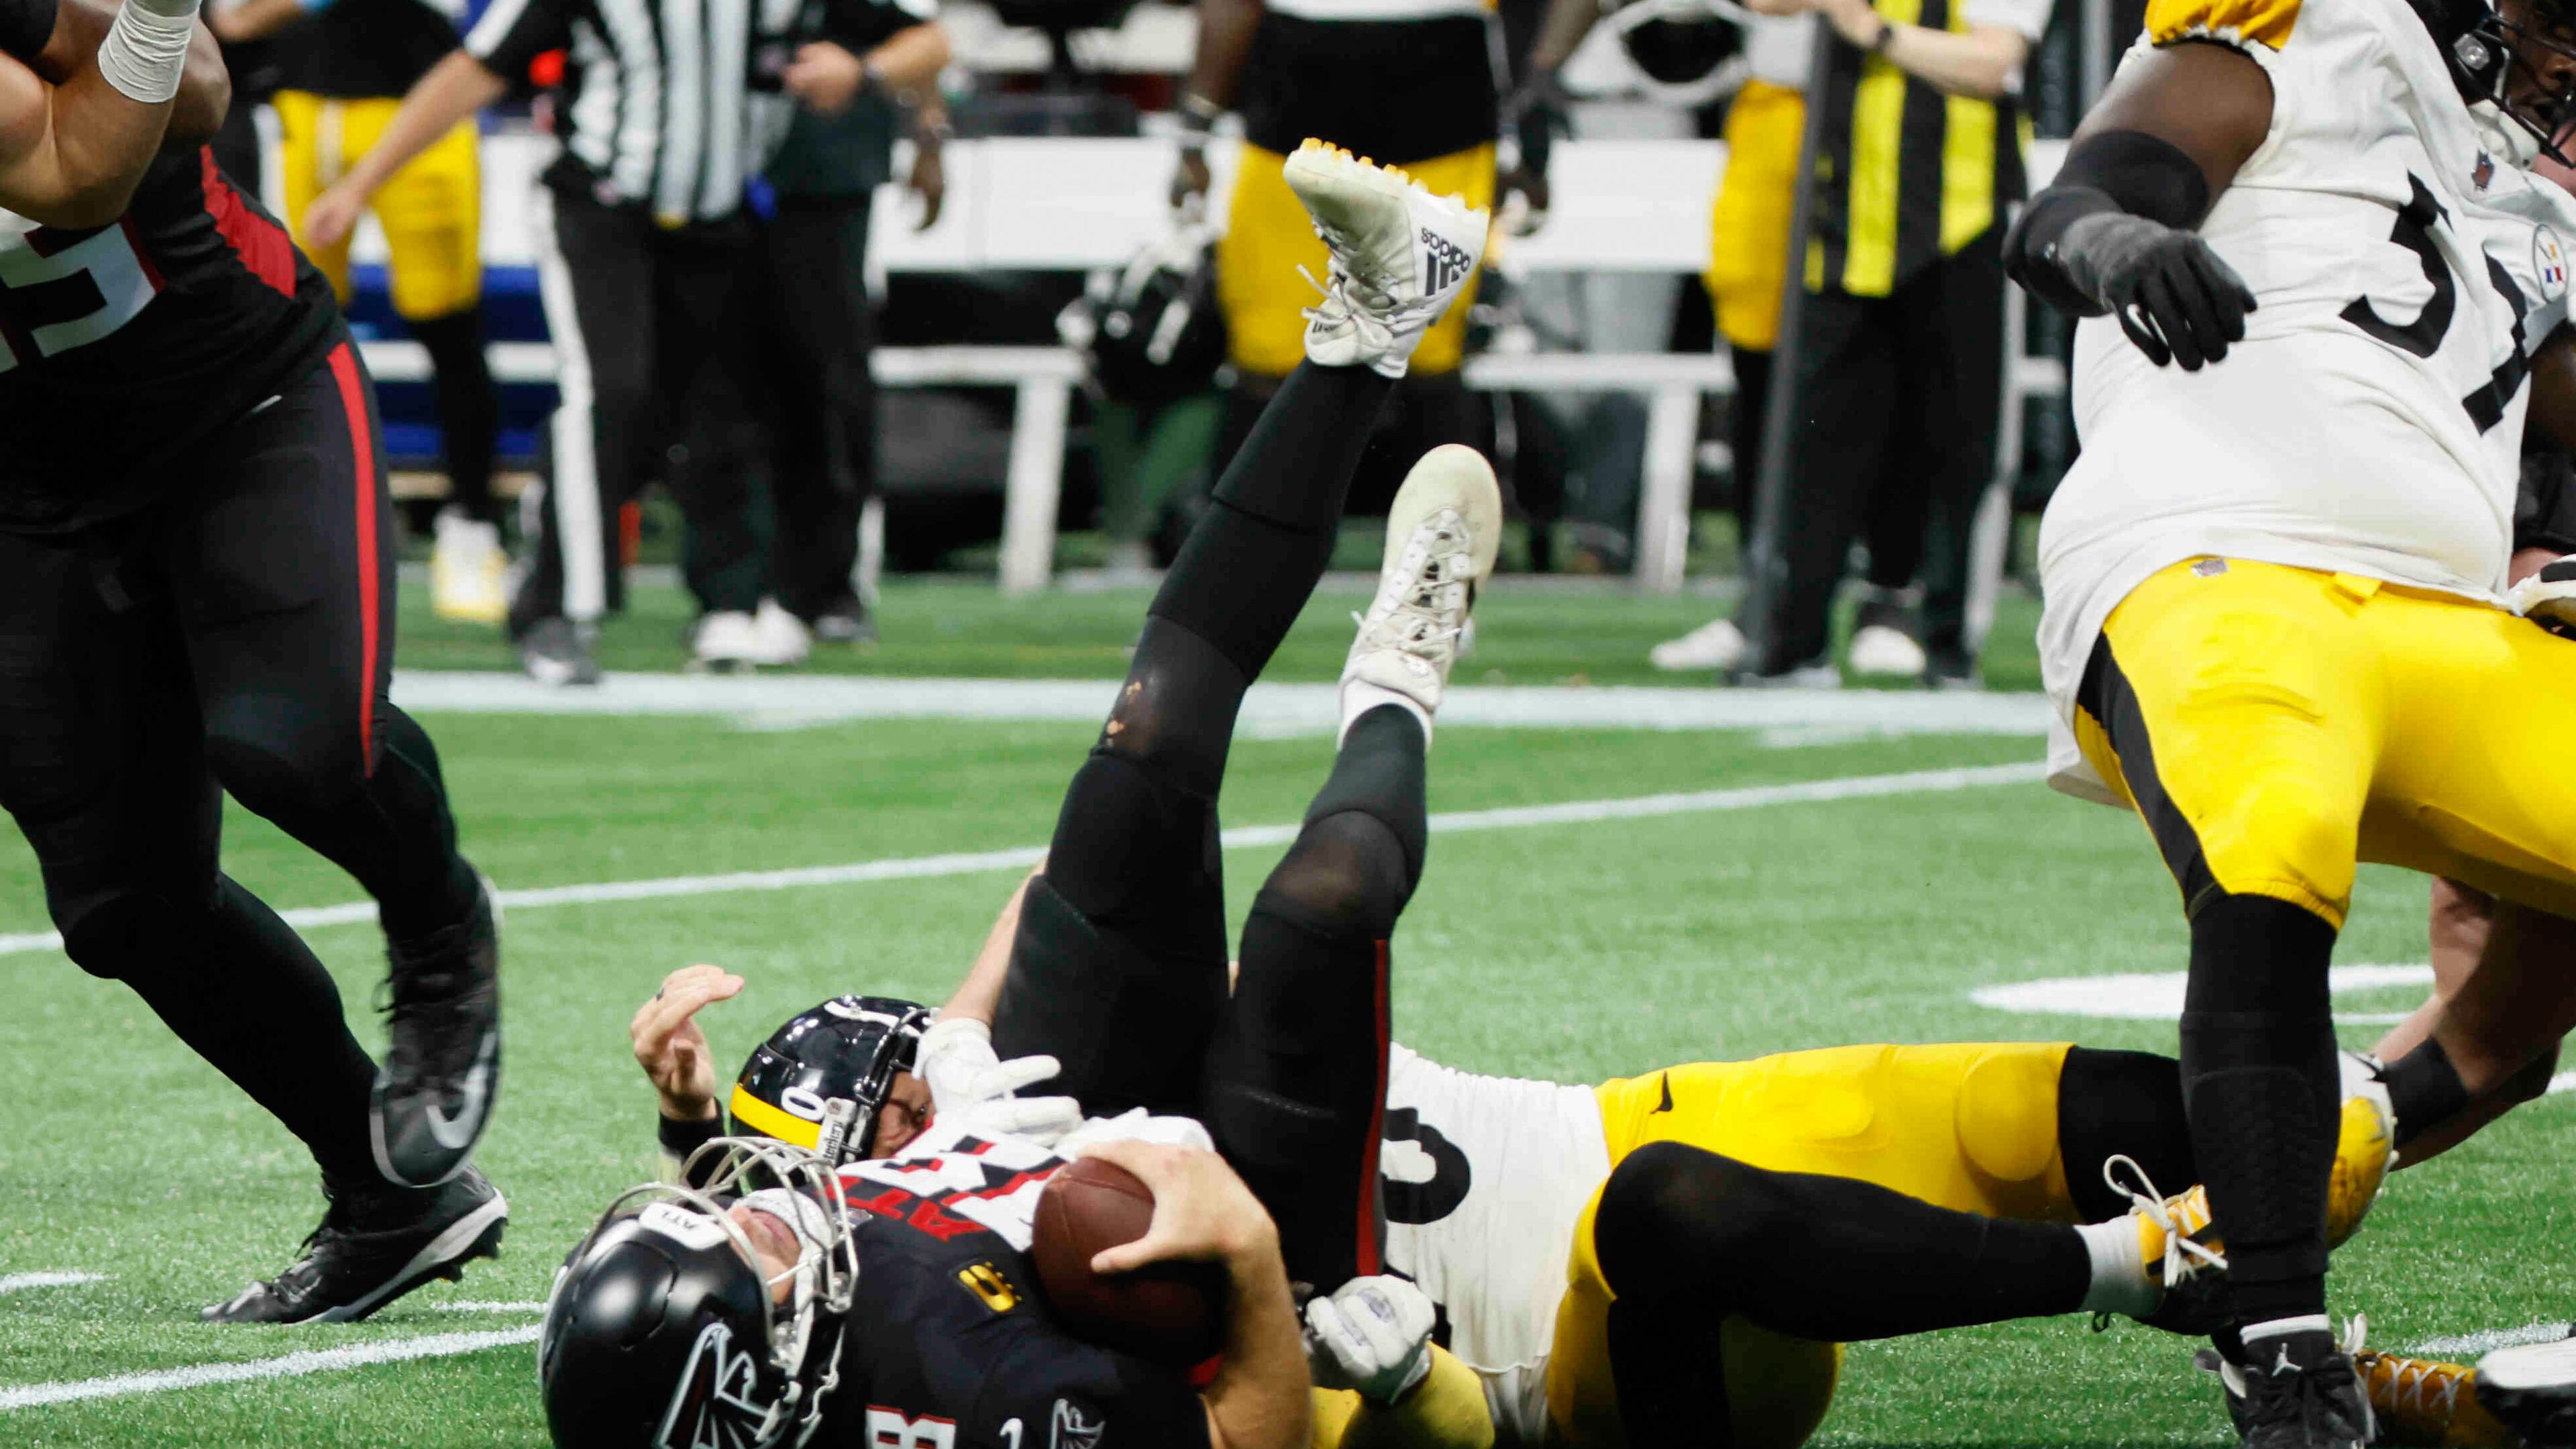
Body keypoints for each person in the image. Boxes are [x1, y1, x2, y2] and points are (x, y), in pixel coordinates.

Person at [536, 142, 1497, 1449]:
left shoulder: (829, 1252)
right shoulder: (957, 1401)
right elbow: (1244, 1435)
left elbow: (741, 1266)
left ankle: (1376, 324)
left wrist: (694, 1123)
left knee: (1147, 745)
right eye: (757, 1231)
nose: (765, 1210)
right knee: (1317, 906)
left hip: (1067, 1107)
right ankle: (1397, 679)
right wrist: (1254, 1262)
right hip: (1228, 1225)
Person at [2002, 0, 2576, 1436]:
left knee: (2515, 1023)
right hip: (2216, 553)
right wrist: (2120, 243)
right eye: (2556, 16)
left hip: (2445, 623)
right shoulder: (2318, 31)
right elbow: (2076, 203)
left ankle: (2332, 1151)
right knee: (2273, 849)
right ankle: (2283, 1346)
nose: (2569, 55)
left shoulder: (2534, 200)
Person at [0, 0, 504, 1322]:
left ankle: (441, 925)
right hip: (32, 479)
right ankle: (392, 1195)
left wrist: (153, 17)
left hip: (237, 394)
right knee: (123, 906)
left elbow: (121, 145)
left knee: (296, 747)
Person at [300, 0, 900, 682]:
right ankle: (558, 610)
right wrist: (362, 182)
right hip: (599, 208)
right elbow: (478, 68)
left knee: (726, 403)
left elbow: (919, 36)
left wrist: (867, 71)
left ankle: (729, 602)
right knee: (608, 391)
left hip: (720, 216)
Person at [208, 0, 507, 626]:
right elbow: (233, 19)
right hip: (304, 105)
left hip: (423, 102)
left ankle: (473, 522)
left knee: (447, 322)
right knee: (297, 329)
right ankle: (300, 518)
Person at [1169, 0, 1498, 487]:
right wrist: (1194, 130)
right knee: (1270, 355)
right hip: (1297, 115)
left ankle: (1441, 549)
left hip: (1440, 112)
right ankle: (1240, 554)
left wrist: (1538, 107)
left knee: (1428, 357)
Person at [747, 1, 951, 651]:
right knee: (723, 383)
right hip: (701, 179)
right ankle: (735, 582)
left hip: (820, 171)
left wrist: (919, 122)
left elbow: (925, 37)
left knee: (827, 376)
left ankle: (829, 579)